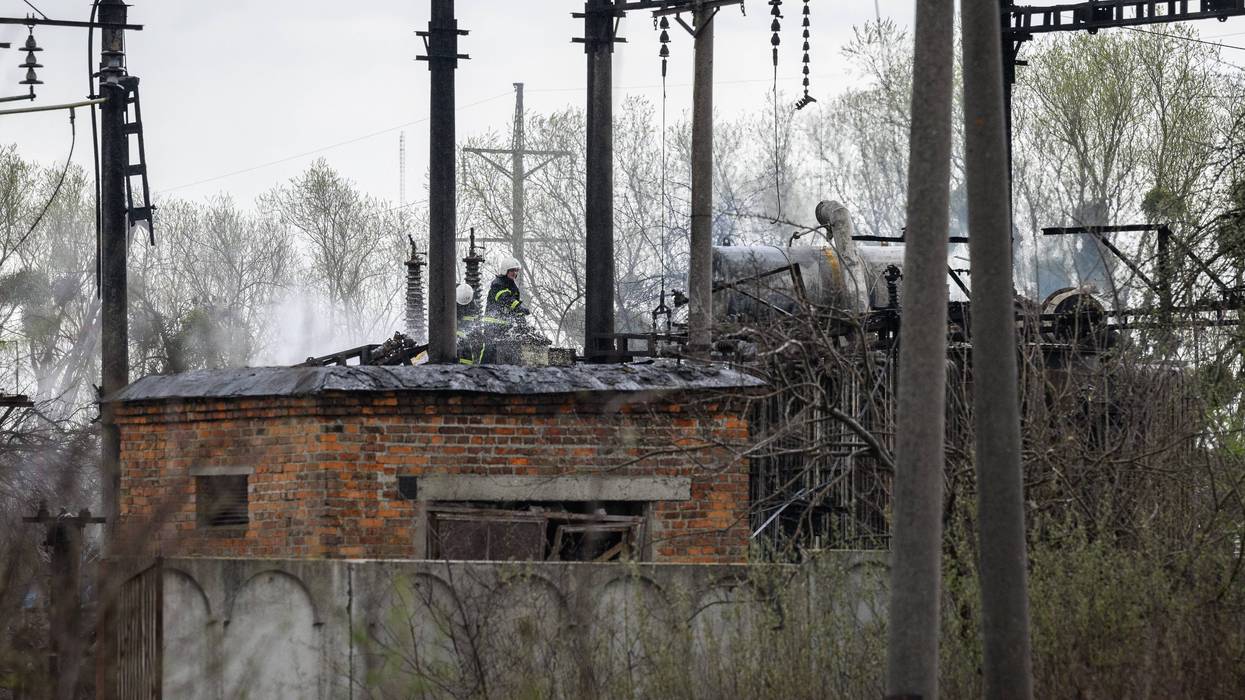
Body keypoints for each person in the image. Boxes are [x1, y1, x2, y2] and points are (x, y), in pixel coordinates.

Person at [486, 256, 531, 323]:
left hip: (505, 323)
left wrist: (521, 319)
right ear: (505, 270)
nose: (515, 273)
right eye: (512, 270)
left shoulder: (512, 286)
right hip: (493, 323)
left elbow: (514, 306)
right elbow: (505, 299)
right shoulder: (498, 284)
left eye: (516, 270)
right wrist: (519, 308)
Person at [455, 283, 485, 365]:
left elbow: (473, 322)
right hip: (454, 331)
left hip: (467, 330)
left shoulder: (472, 304)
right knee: (461, 346)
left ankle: (474, 364)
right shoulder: (450, 300)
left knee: (478, 341)